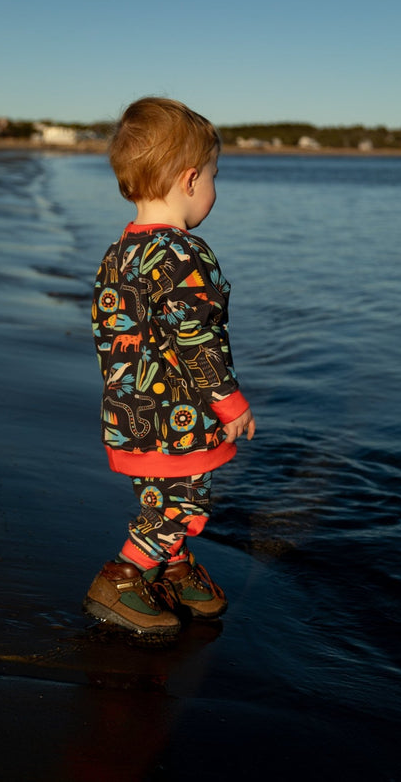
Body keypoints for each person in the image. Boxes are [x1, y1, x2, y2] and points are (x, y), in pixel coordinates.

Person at [84, 97, 255, 638]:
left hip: (129, 411)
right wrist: (230, 402)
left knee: (162, 498)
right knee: (183, 503)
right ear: (188, 180)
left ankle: (174, 570)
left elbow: (109, 334)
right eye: (212, 176)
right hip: (174, 413)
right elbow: (197, 339)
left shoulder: (118, 253)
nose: (213, 189)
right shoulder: (184, 254)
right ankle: (124, 575)